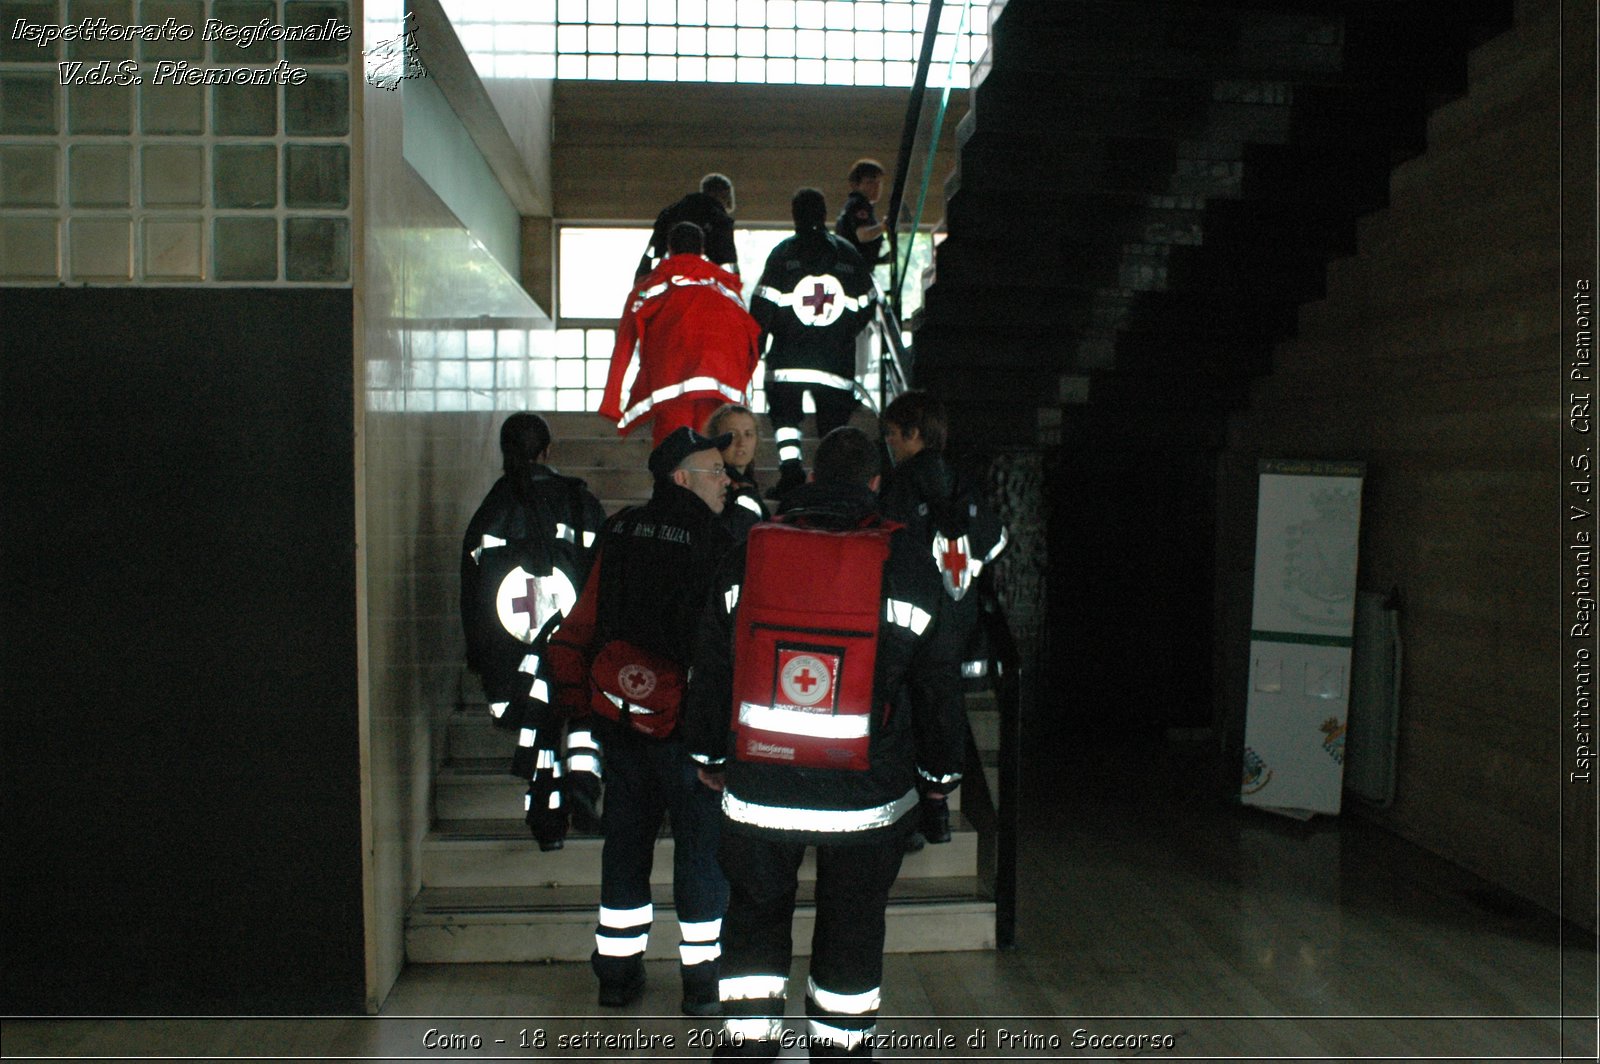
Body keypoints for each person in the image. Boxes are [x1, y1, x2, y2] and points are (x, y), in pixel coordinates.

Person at [683, 426, 965, 1060]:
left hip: (759, 788)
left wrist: (706, 754)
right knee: (853, 926)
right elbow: (937, 680)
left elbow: (713, 663)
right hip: (866, 799)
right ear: (875, 485)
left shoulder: (750, 550)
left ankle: (748, 1050)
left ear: (809, 477)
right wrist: (940, 773)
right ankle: (840, 1053)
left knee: (753, 919)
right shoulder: (906, 560)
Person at [544, 427, 737, 1015]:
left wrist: (583, 704)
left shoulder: (620, 528)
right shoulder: (719, 539)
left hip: (621, 721)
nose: (727, 479)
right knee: (702, 855)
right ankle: (702, 984)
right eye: (714, 470)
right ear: (680, 478)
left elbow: (586, 618)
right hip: (689, 728)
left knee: (625, 848)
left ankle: (618, 977)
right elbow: (726, 645)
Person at [460, 413, 607, 851]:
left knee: (537, 728)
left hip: (509, 654)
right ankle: (583, 789)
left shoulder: (490, 509)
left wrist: (479, 656)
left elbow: (471, 593)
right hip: (572, 642)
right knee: (579, 717)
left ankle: (547, 817)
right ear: (548, 451)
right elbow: (604, 572)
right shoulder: (579, 502)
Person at [878, 391, 1009, 844]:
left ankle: (905, 816)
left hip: (905, 623)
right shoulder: (962, 484)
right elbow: (994, 541)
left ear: (913, 434)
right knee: (943, 709)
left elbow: (885, 551)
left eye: (893, 435)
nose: (889, 443)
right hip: (957, 619)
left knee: (897, 710)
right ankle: (937, 807)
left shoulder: (901, 485)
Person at [752, 188, 877, 501]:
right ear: (825, 215)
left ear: (794, 216)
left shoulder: (782, 255)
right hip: (835, 362)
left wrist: (759, 345)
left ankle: (791, 473)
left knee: (785, 421)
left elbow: (762, 307)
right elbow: (868, 304)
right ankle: (831, 481)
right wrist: (842, 332)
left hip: (787, 362)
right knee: (833, 426)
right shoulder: (848, 254)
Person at [602, 222, 763, 448]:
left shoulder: (651, 283)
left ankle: (675, 481)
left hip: (672, 375)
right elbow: (751, 336)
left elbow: (626, 339)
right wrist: (743, 390)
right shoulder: (725, 286)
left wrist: (612, 401)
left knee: (673, 448)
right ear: (702, 250)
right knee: (710, 446)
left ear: (669, 248)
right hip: (719, 377)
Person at [638, 172, 739, 279]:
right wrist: (734, 284)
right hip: (704, 280)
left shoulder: (670, 213)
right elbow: (728, 258)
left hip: (668, 277)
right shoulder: (720, 220)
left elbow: (653, 249)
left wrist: (642, 281)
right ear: (725, 195)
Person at [705, 402, 769, 543]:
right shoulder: (714, 485)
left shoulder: (746, 483)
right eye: (732, 435)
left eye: (748, 434)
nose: (741, 442)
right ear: (715, 439)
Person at [835, 159, 890, 266]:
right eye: (870, 182)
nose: (877, 187)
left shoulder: (856, 205)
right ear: (856, 185)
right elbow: (862, 235)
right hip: (853, 271)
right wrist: (884, 226)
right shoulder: (859, 204)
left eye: (879, 182)